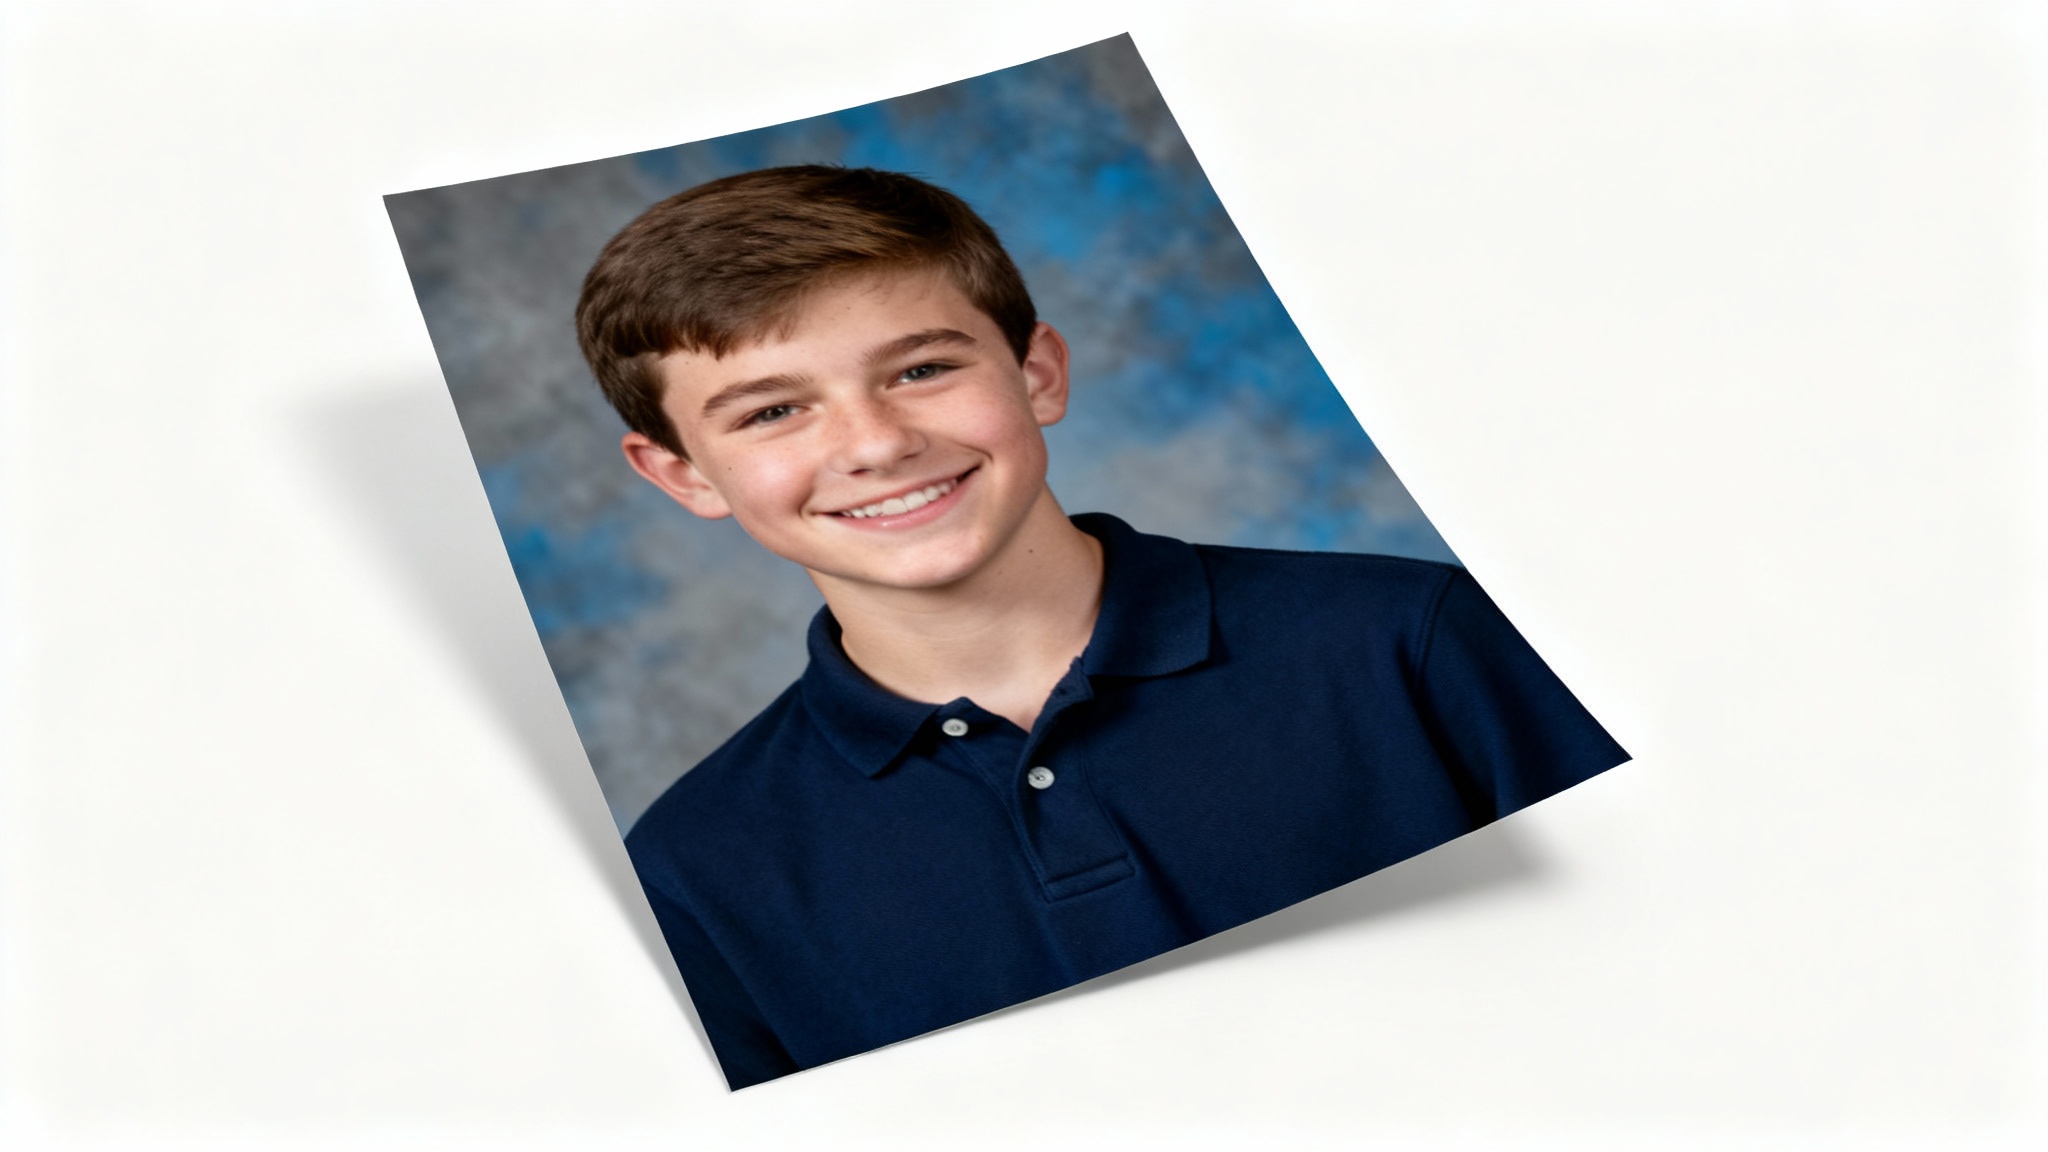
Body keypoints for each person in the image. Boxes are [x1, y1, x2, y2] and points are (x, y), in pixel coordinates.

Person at [575, 165, 1628, 1089]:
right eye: (772, 411)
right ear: (680, 474)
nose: (876, 443)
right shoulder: (695, 871)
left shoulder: (1412, 643)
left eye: (921, 369)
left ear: (1037, 376)